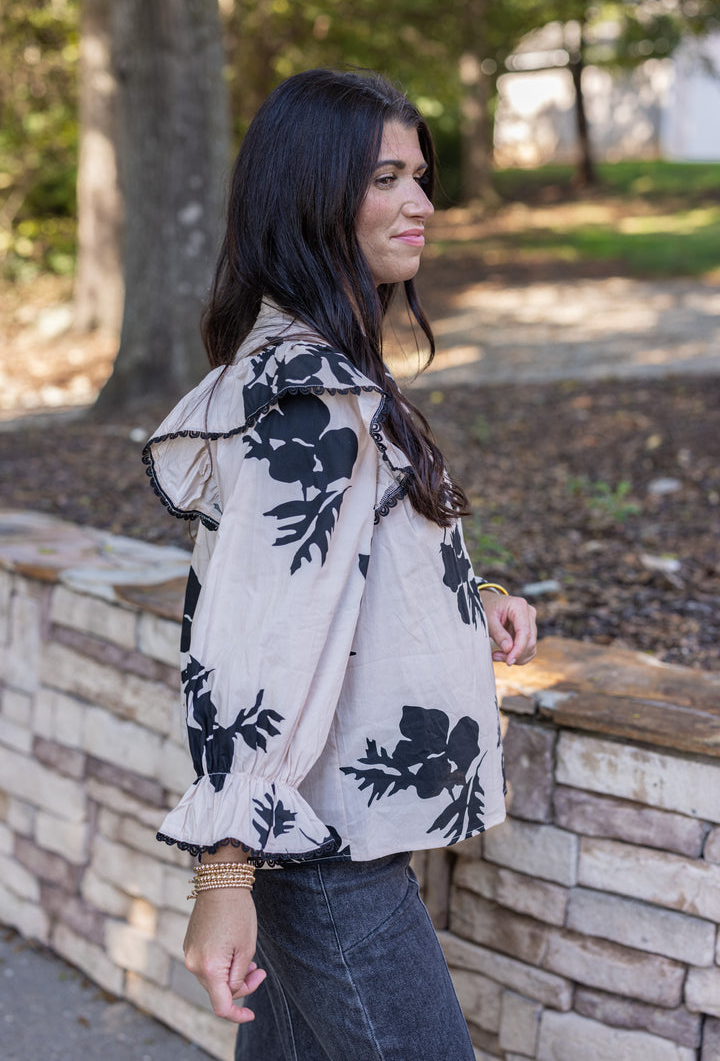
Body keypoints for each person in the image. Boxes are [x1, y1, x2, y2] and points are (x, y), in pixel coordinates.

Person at [143, 68, 536, 1061]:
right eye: (388, 179)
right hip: (322, 852)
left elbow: (325, 575)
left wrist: (461, 601)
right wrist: (224, 880)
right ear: (313, 195)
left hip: (315, 835)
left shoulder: (317, 367)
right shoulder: (308, 401)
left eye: (421, 175)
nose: (423, 203)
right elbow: (253, 641)